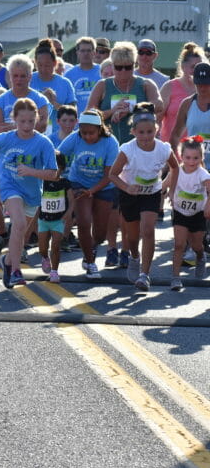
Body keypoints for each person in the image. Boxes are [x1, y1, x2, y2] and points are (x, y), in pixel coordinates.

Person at [87, 41, 163, 269]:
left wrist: (135, 108)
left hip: (139, 152)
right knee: (113, 205)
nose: (122, 72)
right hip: (111, 150)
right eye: (118, 67)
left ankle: (127, 249)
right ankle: (111, 247)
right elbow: (89, 113)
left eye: (127, 67)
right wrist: (111, 112)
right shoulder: (103, 85)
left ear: (134, 65)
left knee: (132, 208)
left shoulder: (144, 84)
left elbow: (159, 105)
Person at [0, 98, 58, 288]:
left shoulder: (43, 143)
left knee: (19, 231)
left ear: (37, 120)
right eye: (22, 121)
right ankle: (16, 270)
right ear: (14, 119)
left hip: (32, 192)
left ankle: (8, 262)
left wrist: (31, 171)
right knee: (19, 223)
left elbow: (53, 173)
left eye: (31, 121)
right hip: (9, 186)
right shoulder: (6, 138)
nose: (26, 125)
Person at [109, 103, 178, 291]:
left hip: (151, 194)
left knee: (148, 231)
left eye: (150, 132)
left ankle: (145, 275)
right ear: (133, 132)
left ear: (156, 130)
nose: (146, 137)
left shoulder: (163, 149)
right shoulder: (127, 150)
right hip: (130, 194)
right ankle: (133, 256)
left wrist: (167, 187)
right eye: (141, 133)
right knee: (132, 238)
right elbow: (112, 175)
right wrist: (127, 187)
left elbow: (175, 167)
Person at [59, 110, 119, 280]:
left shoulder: (110, 143)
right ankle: (91, 263)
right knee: (84, 222)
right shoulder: (75, 137)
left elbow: (110, 175)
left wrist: (93, 191)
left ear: (100, 129)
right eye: (83, 132)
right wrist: (57, 176)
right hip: (79, 183)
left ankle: (91, 246)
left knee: (100, 233)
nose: (86, 137)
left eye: (91, 133)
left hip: (104, 186)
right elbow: (58, 155)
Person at [166, 137, 210, 290]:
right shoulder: (176, 171)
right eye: (188, 157)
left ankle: (200, 256)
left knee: (196, 244)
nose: (192, 161)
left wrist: (208, 206)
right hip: (180, 212)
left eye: (196, 158)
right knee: (179, 245)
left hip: (198, 214)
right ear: (181, 156)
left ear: (202, 157)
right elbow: (164, 184)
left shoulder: (202, 174)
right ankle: (176, 278)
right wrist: (163, 195)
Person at [36, 152, 72, 283]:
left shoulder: (65, 183)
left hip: (58, 220)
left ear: (62, 168)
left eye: (55, 169)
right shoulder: (42, 183)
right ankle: (45, 258)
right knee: (42, 248)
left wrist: (69, 213)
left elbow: (71, 200)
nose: (51, 172)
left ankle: (54, 271)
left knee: (56, 245)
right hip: (43, 220)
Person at [163, 46, 208, 144]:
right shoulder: (170, 87)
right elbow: (157, 118)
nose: (197, 71)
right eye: (193, 67)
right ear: (183, 67)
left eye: (199, 66)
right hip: (179, 153)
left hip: (198, 154)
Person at [31, 44, 77, 128]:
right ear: (35, 63)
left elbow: (73, 112)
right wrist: (41, 101)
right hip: (33, 132)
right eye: (40, 65)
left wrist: (54, 103)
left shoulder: (65, 83)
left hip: (58, 133)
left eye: (47, 65)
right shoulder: (28, 79)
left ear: (55, 63)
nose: (43, 69)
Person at [65, 37, 103, 112]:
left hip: (99, 120)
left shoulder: (103, 71)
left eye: (89, 50)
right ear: (77, 53)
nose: (86, 53)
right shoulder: (69, 75)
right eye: (82, 51)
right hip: (76, 121)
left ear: (94, 53)